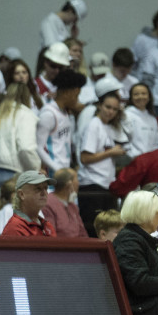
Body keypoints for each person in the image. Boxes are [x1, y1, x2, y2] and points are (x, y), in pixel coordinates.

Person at [78, 89, 127, 235]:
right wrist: (111, 152)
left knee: (109, 230)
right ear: (99, 105)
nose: (110, 112)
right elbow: (85, 158)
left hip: (106, 185)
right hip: (92, 185)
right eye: (107, 107)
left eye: (114, 109)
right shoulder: (94, 124)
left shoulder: (110, 127)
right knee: (95, 231)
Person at [0, 82, 40, 190]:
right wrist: (35, 169)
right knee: (10, 207)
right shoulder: (26, 115)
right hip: (11, 173)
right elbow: (25, 148)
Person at [36, 69, 84, 177]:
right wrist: (58, 169)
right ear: (67, 93)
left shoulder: (65, 113)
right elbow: (38, 147)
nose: (77, 100)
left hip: (64, 171)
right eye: (76, 96)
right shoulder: (48, 114)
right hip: (53, 173)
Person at [1, 170, 55, 237]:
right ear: (21, 194)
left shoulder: (47, 225)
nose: (44, 193)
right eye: (38, 189)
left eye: (45, 188)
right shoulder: (14, 228)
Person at [42, 168, 86, 238]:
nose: (78, 183)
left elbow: (83, 234)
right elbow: (50, 235)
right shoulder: (48, 204)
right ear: (69, 184)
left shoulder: (73, 206)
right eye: (76, 179)